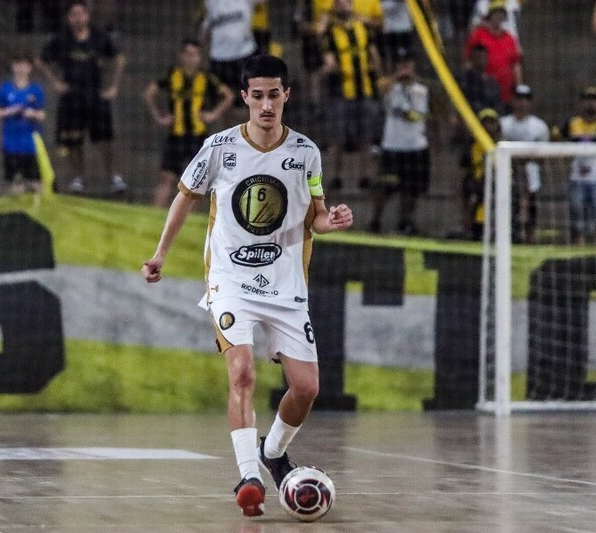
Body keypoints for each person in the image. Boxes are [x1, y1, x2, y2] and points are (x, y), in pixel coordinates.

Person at [141, 54, 353, 518]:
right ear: (244, 98)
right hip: (231, 281)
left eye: (274, 94)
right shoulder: (218, 147)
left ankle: (272, 452)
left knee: (307, 388)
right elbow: (184, 199)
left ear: (287, 95)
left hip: (286, 284)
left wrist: (331, 220)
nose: (266, 104)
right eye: (256, 96)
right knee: (242, 374)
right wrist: (161, 254)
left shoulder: (306, 153)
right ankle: (248, 477)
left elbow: (315, 211)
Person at [38, 0, 128, 194]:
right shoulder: (61, 39)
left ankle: (115, 177)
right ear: (68, 18)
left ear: (87, 16)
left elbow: (120, 59)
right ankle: (77, 178)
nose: (78, 18)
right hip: (71, 97)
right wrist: (55, 82)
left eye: (81, 14)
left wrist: (113, 86)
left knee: (106, 140)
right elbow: (41, 60)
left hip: (96, 95)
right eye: (74, 15)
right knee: (73, 140)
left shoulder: (99, 36)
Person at [142, 39, 234, 207]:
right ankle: (153, 219)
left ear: (200, 58)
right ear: (181, 56)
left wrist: (213, 115)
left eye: (195, 55)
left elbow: (228, 95)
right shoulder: (171, 74)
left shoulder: (206, 77)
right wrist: (159, 117)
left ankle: (184, 223)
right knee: (165, 178)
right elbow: (148, 94)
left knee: (195, 184)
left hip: (198, 138)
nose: (192, 58)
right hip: (176, 135)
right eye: (188, 54)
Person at [321, 0, 382, 190]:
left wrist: (377, 74)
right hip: (340, 91)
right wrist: (331, 67)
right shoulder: (329, 32)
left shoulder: (363, 27)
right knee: (338, 137)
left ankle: (366, 176)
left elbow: (373, 53)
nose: (342, 6)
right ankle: (336, 177)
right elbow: (327, 58)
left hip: (364, 90)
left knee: (366, 136)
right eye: (338, 3)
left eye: (345, 2)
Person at [368, 48, 430, 235]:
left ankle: (406, 220)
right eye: (401, 64)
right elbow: (381, 89)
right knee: (386, 186)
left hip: (416, 145)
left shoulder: (422, 89)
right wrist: (397, 76)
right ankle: (375, 219)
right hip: (393, 145)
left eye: (408, 63)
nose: (405, 67)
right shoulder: (389, 86)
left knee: (412, 189)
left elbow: (427, 114)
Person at [554, 86, 596, 243]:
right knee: (577, 223)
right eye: (587, 100)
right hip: (577, 179)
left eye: (594, 100)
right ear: (580, 103)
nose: (590, 104)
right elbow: (555, 139)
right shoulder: (572, 124)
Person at [499, 84, 549, 243]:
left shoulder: (539, 126)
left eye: (525, 99)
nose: (522, 103)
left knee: (531, 204)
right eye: (518, 99)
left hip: (530, 173)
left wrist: (525, 158)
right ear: (513, 101)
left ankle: (530, 234)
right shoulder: (504, 124)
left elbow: (544, 156)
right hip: (508, 173)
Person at [0, 54, 46, 195]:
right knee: (15, 185)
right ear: (13, 67)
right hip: (10, 145)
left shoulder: (36, 90)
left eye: (25, 65)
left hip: (30, 145)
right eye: (18, 64)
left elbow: (42, 115)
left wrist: (31, 114)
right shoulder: (5, 89)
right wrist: (9, 111)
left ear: (30, 68)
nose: (21, 68)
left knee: (37, 184)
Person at [200, 0, 266, 111]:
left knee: (250, 98)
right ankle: (231, 128)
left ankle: (250, 127)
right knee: (224, 101)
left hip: (245, 54)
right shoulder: (210, 2)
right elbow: (207, 25)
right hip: (219, 57)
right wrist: (200, 50)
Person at [464, 0, 521, 112]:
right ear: (490, 16)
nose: (499, 16)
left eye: (502, 14)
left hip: (505, 93)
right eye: (496, 13)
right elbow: (468, 60)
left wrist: (518, 86)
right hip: (482, 92)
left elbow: (516, 64)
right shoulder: (478, 34)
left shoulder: (509, 38)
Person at [461, 107, 502, 240]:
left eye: (492, 122)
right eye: (485, 123)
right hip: (479, 190)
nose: (488, 126)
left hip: (500, 191)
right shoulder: (471, 147)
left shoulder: (504, 146)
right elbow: (466, 173)